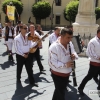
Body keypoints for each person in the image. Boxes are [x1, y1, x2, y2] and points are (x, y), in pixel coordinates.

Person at [48, 28, 78, 100]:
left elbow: (74, 52)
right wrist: (65, 65)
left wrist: (74, 56)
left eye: (71, 37)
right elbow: (52, 63)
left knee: (59, 91)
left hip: (66, 74)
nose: (70, 40)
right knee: (61, 93)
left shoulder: (70, 44)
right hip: (57, 75)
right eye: (68, 37)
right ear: (61, 36)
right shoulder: (54, 47)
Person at [78, 29, 100, 95]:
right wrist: (98, 57)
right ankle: (80, 88)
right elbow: (89, 52)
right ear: (98, 33)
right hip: (95, 63)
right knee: (89, 77)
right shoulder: (93, 41)